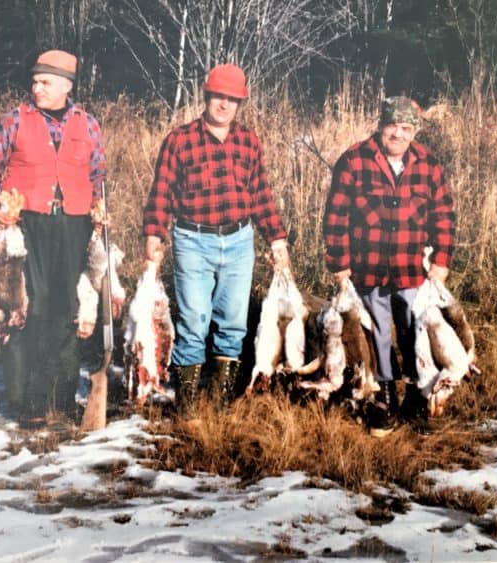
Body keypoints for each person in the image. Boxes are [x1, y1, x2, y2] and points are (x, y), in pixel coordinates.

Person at [142, 63, 290, 413]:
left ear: (240, 104)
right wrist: (153, 235)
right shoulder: (180, 140)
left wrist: (276, 239)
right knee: (194, 319)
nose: (224, 105)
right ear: (206, 96)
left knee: (233, 320)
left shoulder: (248, 141)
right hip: (193, 240)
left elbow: (261, 195)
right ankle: (189, 401)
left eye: (232, 100)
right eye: (218, 97)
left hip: (239, 241)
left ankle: (222, 398)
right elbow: (161, 193)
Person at [0, 49, 110, 424]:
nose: (37, 88)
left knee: (67, 310)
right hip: (27, 225)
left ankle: (64, 400)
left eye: (45, 82)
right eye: (35, 81)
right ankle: (31, 402)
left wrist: (99, 211)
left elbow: (98, 176)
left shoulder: (89, 125)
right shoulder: (14, 121)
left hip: (74, 225)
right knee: (30, 307)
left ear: (67, 85)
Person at [323, 96, 456, 437]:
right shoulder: (354, 160)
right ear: (380, 125)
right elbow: (335, 217)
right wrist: (339, 264)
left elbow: (443, 216)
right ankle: (386, 397)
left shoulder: (428, 165)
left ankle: (418, 392)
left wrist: (441, 262)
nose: (397, 134)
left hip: (414, 269)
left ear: (415, 131)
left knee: (417, 331)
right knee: (377, 334)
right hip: (368, 270)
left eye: (406, 128)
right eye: (391, 126)